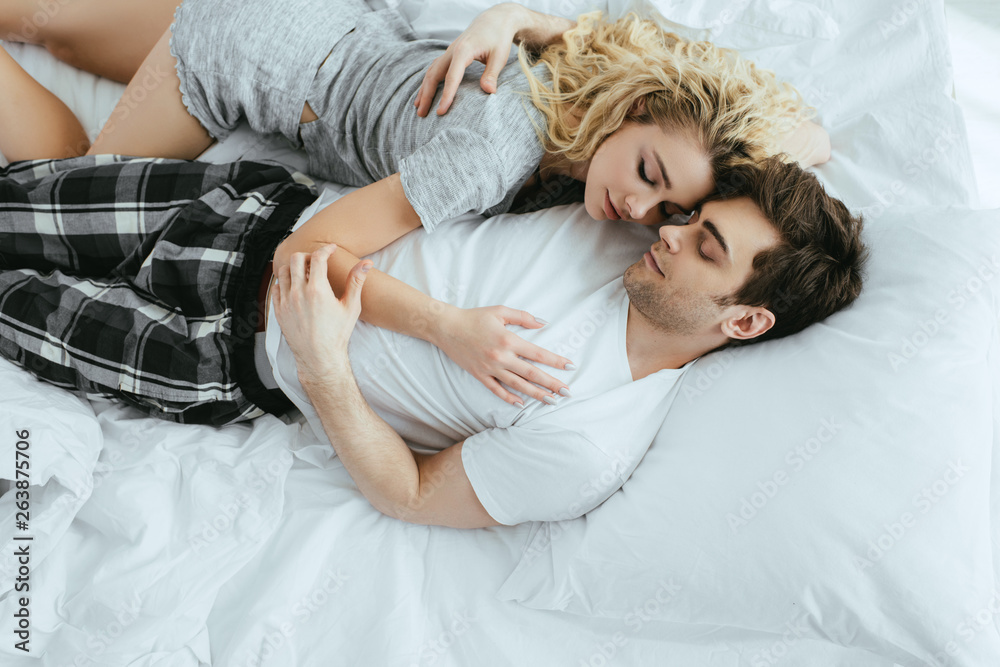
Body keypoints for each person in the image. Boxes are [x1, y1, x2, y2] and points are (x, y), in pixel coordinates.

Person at [0, 52, 866, 525]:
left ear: (747, 317)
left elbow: (412, 495)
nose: (667, 227)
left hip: (227, 358)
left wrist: (327, 371)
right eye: (689, 215)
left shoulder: (591, 438)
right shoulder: (625, 216)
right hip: (248, 214)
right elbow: (675, 86)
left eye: (703, 243)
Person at [1, 0, 833, 407]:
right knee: (61, 169)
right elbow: (311, 249)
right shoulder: (490, 155)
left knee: (53, 27)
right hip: (242, 61)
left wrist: (519, 20)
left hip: (303, 20)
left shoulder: (583, 91)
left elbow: (811, 137)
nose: (634, 205)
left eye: (664, 208)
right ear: (633, 108)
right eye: (647, 168)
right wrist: (450, 328)